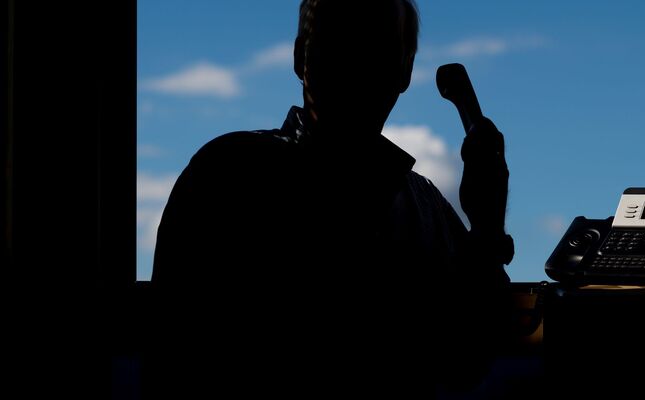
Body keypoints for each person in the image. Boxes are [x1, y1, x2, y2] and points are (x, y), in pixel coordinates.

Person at [148, 0, 514, 397]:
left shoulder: (425, 204)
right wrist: (485, 229)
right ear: (300, 57)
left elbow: (466, 361)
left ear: (405, 71)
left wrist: (487, 227)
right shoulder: (226, 175)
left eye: (376, 44)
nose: (357, 61)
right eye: (341, 39)